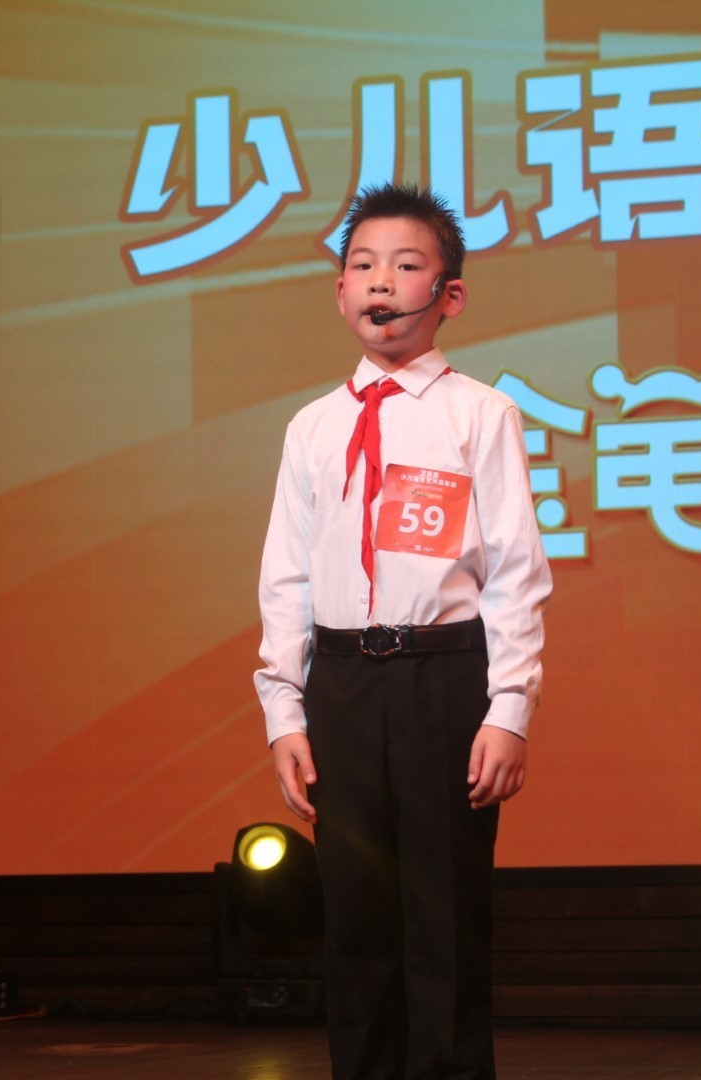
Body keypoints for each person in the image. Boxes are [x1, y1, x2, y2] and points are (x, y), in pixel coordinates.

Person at [255, 181, 551, 1080]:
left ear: (448, 295)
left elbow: (514, 574)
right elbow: (286, 577)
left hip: (443, 680)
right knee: (355, 922)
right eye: (363, 265)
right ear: (340, 291)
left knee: (444, 919)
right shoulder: (312, 428)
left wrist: (509, 710)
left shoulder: (481, 415)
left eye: (406, 265)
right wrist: (284, 711)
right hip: (342, 684)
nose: (381, 282)